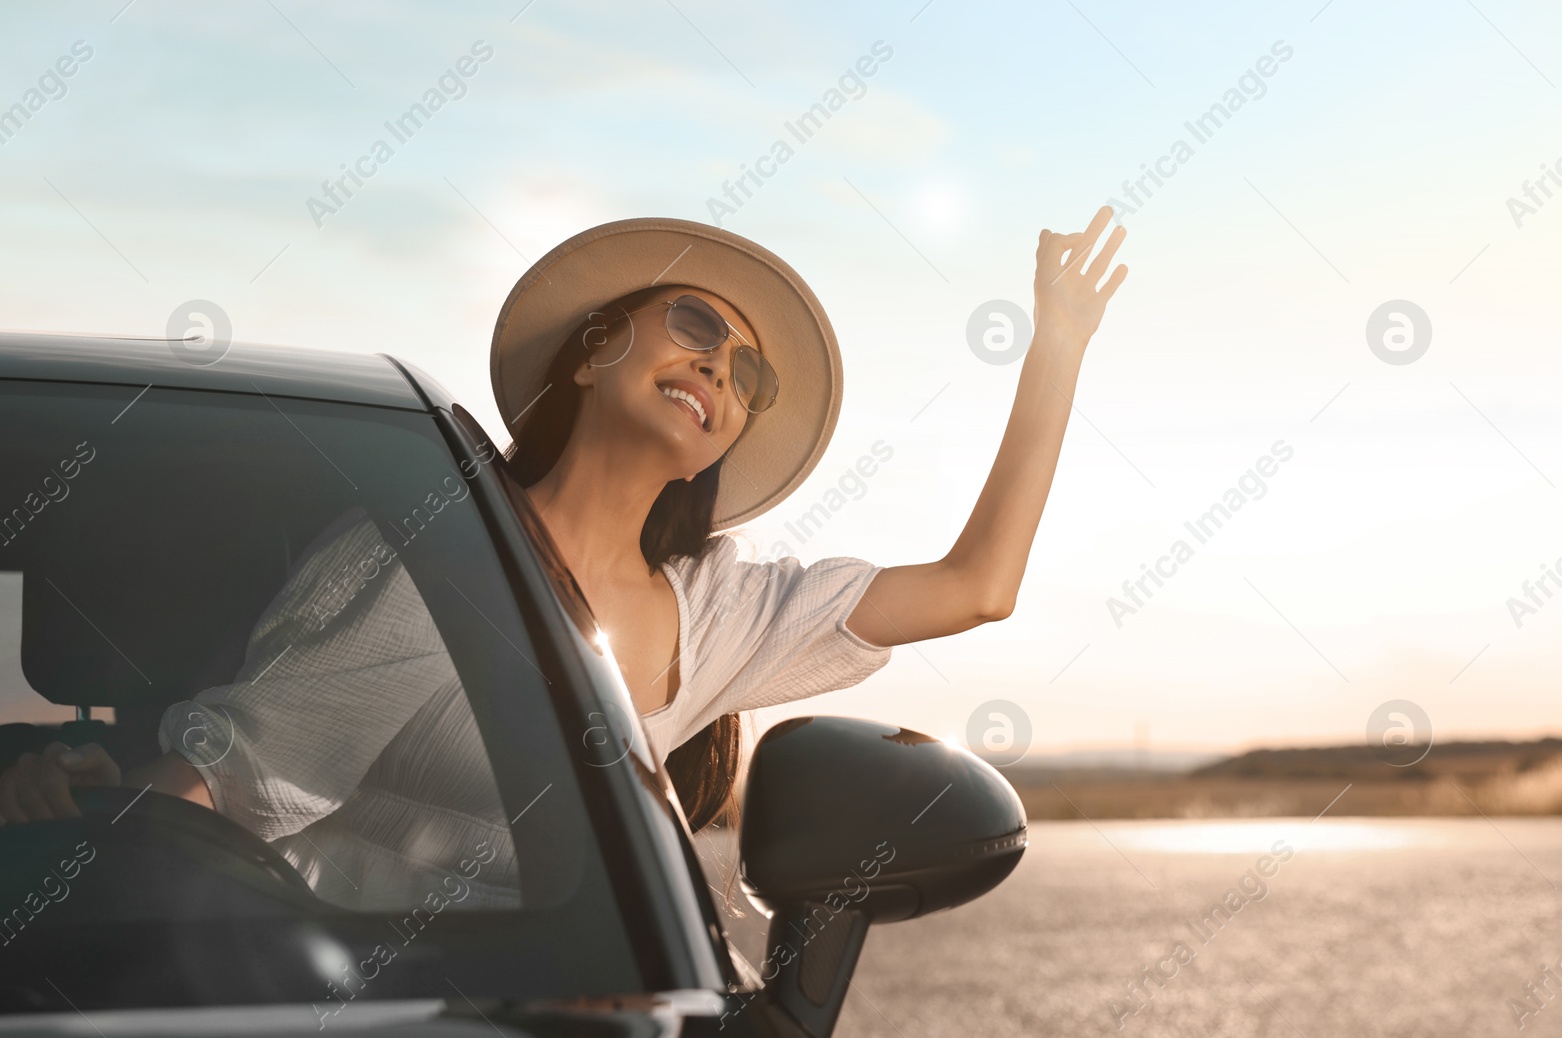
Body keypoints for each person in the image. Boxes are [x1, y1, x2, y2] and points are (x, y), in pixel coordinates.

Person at [0, 208, 1128, 855]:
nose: (716, 368)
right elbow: (245, 778)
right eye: (693, 326)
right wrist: (78, 840)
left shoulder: (725, 609)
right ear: (592, 351)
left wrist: (1058, 350)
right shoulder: (425, 552)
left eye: (746, 374)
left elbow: (979, 585)